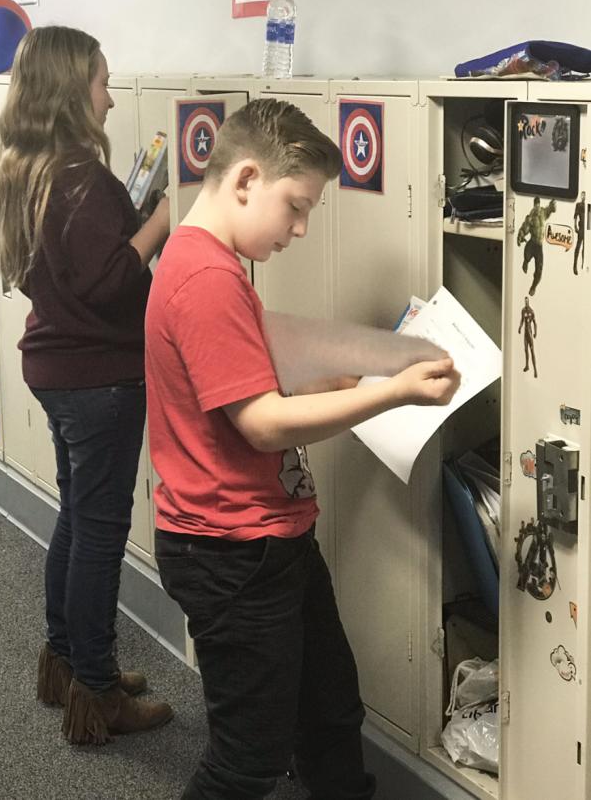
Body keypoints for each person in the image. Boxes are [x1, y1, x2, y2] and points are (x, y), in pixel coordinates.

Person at [145, 98, 461, 799]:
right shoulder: (205, 279)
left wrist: (344, 377)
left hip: (270, 533)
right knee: (247, 759)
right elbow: (260, 423)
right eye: (295, 205)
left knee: (327, 712)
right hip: (231, 550)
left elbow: (249, 377)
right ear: (246, 178)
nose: (299, 227)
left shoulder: (210, 263)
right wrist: (392, 392)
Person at [0, 26, 173, 745]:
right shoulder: (81, 177)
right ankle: (97, 690)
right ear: (72, 91)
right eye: (101, 80)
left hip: (56, 370)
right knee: (100, 534)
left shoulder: (29, 167)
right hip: (99, 379)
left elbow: (70, 268)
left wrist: (130, 210)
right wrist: (163, 215)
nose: (109, 92)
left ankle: (65, 659)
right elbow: (107, 283)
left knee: (76, 517)